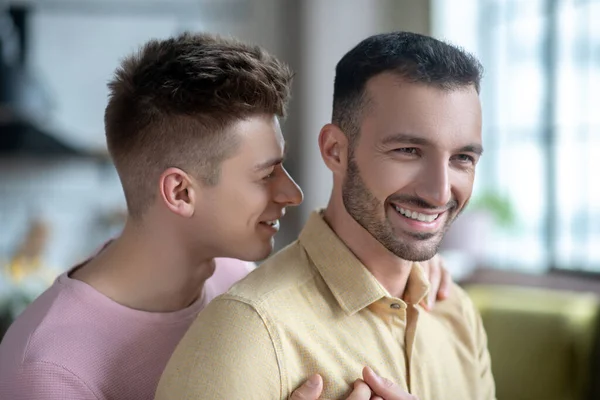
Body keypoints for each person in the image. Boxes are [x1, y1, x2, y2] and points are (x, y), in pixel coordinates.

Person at [0, 32, 451, 400]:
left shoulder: (236, 278)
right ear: (180, 192)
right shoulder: (49, 368)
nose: (291, 193)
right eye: (265, 175)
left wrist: (404, 262)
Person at [155, 31, 496, 400]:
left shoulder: (457, 313)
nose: (439, 192)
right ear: (335, 151)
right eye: (408, 150)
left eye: (463, 158)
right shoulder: (246, 334)